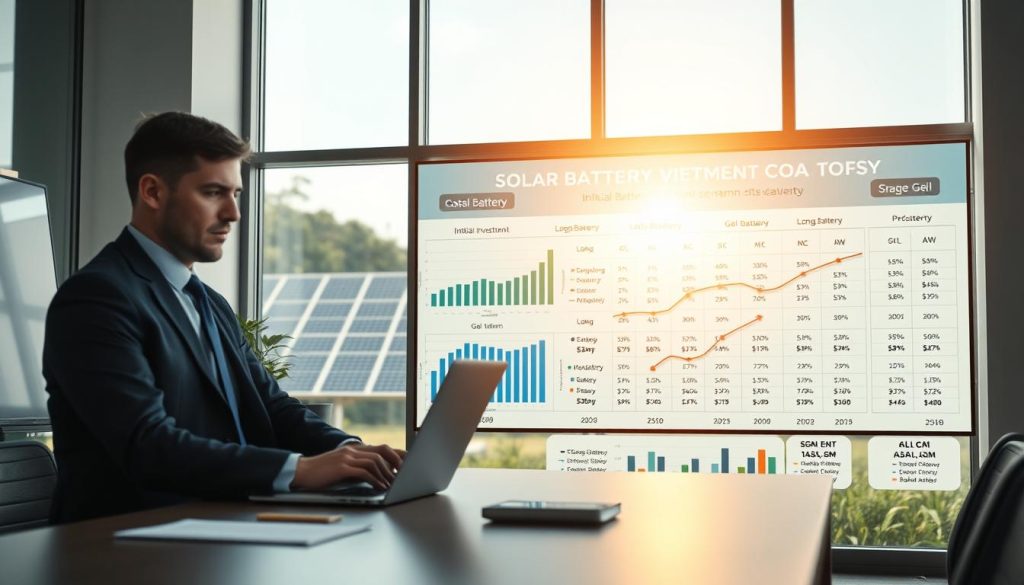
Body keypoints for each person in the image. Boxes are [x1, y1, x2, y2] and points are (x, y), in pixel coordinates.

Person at [43, 112, 404, 523]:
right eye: (214, 193)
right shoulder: (96, 299)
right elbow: (148, 445)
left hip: (217, 532)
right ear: (153, 192)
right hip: (120, 548)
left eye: (235, 194)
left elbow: (271, 405)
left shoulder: (208, 302)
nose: (233, 213)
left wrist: (350, 453)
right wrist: (301, 470)